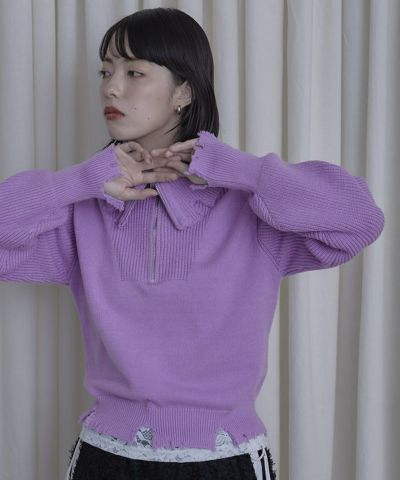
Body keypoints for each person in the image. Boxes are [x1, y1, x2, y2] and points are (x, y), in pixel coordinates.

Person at [0, 7, 385, 480]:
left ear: (184, 91)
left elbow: (360, 219)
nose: (111, 88)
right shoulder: (86, 211)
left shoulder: (253, 209)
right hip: (106, 457)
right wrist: (80, 180)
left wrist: (241, 170)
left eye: (134, 72)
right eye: (106, 72)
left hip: (224, 458)